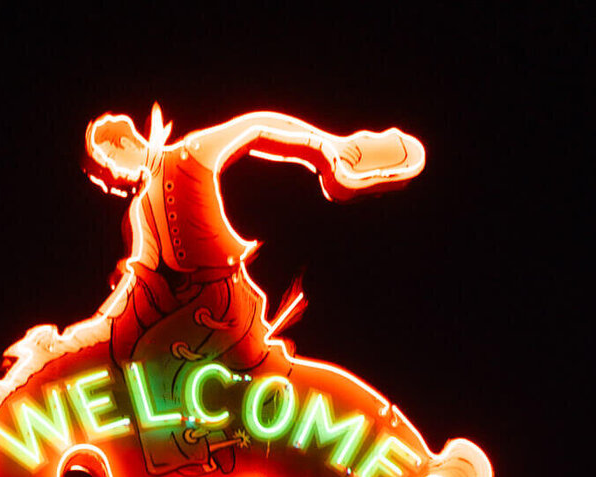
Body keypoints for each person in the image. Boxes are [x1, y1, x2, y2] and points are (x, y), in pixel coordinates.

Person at [86, 107, 425, 369]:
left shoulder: (192, 152)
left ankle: (185, 445)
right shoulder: (141, 207)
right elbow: (142, 278)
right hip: (189, 308)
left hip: (223, 298)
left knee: (150, 356)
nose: (114, 173)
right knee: (136, 353)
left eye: (112, 159)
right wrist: (103, 324)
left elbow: (254, 126)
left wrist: (327, 145)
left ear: (129, 142)